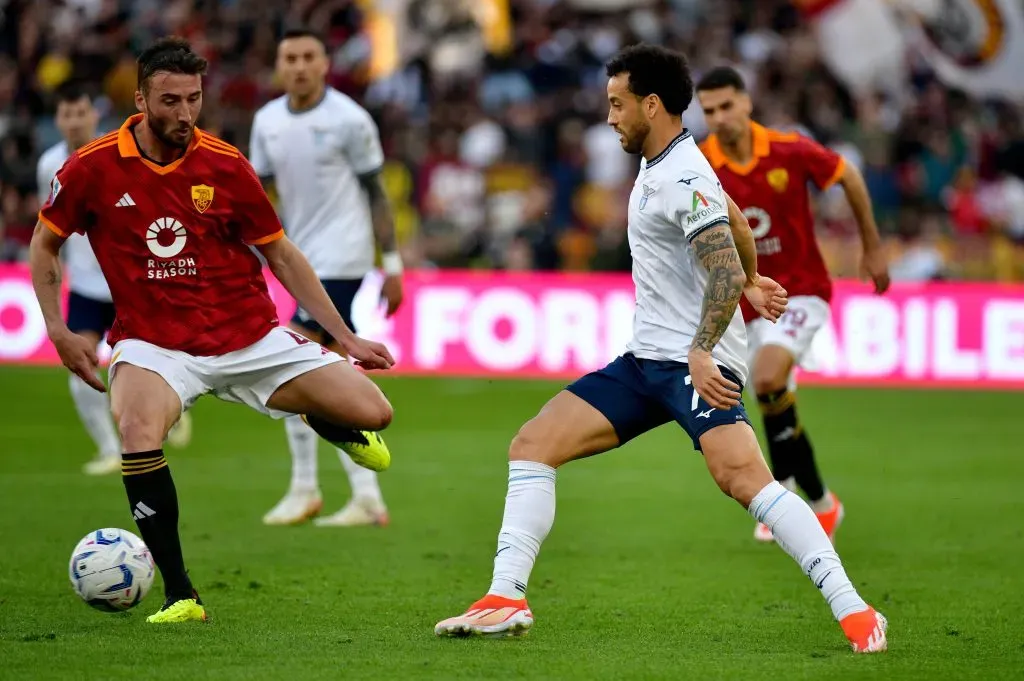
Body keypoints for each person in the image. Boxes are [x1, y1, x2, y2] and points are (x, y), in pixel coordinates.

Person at [434, 45, 887, 653]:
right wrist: (754, 279)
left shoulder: (681, 174)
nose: (610, 117)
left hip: (693, 364)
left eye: (617, 104)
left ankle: (856, 610)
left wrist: (705, 345)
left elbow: (721, 268)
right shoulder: (670, 164)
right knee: (533, 444)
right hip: (645, 360)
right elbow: (736, 222)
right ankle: (505, 597)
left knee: (745, 481)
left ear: (651, 105)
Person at [30, 37, 395, 624]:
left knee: (376, 413)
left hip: (249, 337)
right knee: (137, 428)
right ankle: (181, 595)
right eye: (170, 100)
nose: (185, 113)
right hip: (155, 345)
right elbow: (44, 243)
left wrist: (346, 338)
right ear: (140, 99)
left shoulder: (225, 164)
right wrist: (58, 328)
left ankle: (324, 416)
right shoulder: (91, 167)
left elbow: (281, 255)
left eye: (194, 99)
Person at [695, 67, 890, 543]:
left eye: (726, 106)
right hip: (744, 303)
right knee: (770, 397)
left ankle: (778, 495)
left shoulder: (789, 150)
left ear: (746, 103)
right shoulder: (700, 163)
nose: (719, 117)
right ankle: (822, 503)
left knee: (767, 378)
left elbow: (849, 176)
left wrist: (871, 246)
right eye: (709, 110)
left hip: (800, 289)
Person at [249, 28, 402, 528]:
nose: (298, 66)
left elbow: (377, 192)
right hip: (300, 256)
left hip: (344, 254)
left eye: (307, 57)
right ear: (279, 65)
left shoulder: (350, 119)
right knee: (328, 372)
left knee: (292, 359)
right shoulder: (267, 121)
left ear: (324, 63)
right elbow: (257, 195)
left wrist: (392, 263)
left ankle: (305, 488)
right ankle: (367, 496)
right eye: (289, 57)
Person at [37, 82, 193, 475]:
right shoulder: (48, 165)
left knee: (160, 366)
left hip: (131, 284)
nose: (75, 122)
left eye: (81, 113)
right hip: (86, 287)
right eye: (67, 115)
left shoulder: (119, 154)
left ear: (94, 115)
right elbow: (48, 230)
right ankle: (110, 450)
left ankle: (174, 410)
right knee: (81, 369)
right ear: (58, 120)